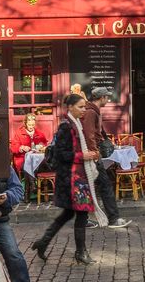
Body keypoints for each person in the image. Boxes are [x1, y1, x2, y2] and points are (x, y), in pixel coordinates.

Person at [30, 94, 108, 265]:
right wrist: (84, 156)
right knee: (80, 214)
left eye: (84, 107)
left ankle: (43, 243)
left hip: (77, 177)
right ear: (70, 107)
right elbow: (61, 154)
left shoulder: (76, 125)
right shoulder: (66, 127)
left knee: (69, 214)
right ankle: (81, 252)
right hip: (72, 179)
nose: (84, 110)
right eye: (80, 107)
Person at [81, 87, 131, 229]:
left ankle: (84, 220)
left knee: (88, 186)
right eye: (106, 97)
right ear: (101, 98)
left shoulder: (93, 111)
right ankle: (113, 219)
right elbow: (90, 135)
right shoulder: (91, 112)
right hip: (93, 155)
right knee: (104, 186)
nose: (108, 100)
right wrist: (95, 154)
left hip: (92, 154)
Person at [12, 112, 47, 177]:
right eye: (29, 125)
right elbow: (13, 148)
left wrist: (42, 146)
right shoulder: (19, 133)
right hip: (23, 159)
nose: (31, 127)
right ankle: (32, 185)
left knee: (45, 164)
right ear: (25, 123)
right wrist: (21, 147)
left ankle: (37, 184)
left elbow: (45, 144)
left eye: (33, 125)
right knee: (30, 165)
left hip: (37, 159)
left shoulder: (40, 134)